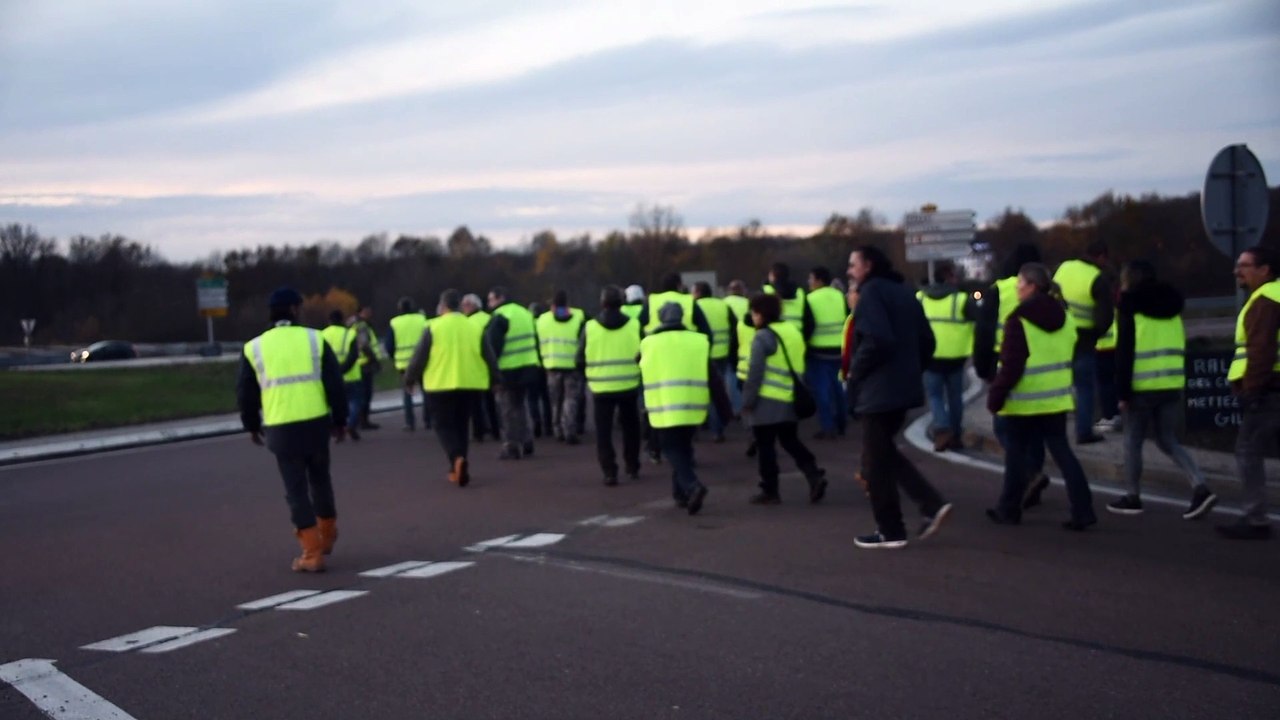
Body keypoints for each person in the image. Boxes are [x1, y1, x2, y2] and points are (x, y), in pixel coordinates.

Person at [846, 246, 952, 549]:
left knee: (876, 463)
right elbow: (927, 340)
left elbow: (877, 339)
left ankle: (893, 527)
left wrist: (856, 372)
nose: (850, 271)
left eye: (853, 264)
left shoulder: (871, 294)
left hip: (878, 389)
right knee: (882, 453)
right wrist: (912, 368)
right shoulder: (904, 292)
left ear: (868, 265)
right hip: (903, 386)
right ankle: (925, 506)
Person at [237, 287, 348, 572]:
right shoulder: (315, 339)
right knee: (320, 480)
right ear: (296, 309)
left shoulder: (254, 347)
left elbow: (246, 393)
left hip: (281, 426)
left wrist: (251, 425)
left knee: (295, 489)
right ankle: (327, 533)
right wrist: (340, 420)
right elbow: (335, 384)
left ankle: (311, 552)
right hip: (316, 422)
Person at [986, 263, 1097, 531]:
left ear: (1032, 286)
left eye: (1020, 284)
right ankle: (1083, 509)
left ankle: (1008, 509)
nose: (1017, 288)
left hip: (1023, 401)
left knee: (1015, 456)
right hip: (1056, 399)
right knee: (1064, 454)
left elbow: (1012, 366)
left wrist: (996, 395)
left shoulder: (1018, 320)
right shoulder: (1066, 317)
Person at [1107, 260, 1216, 518]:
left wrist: (1122, 393)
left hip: (1141, 386)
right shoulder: (1172, 307)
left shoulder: (1129, 307)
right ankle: (1200, 486)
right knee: (1167, 439)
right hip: (1171, 382)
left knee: (1132, 441)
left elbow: (1124, 354)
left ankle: (1133, 496)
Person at [975, 243, 1052, 509]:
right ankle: (1032, 482)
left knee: (1005, 428)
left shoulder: (999, 290)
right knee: (1035, 432)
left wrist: (983, 367)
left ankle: (1029, 476)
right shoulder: (1050, 291)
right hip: (1043, 365)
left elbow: (984, 332)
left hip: (1006, 363)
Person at [639, 302, 731, 515]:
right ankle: (681, 495)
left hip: (664, 406)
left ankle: (692, 485)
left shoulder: (649, 343)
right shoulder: (698, 341)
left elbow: (639, 365)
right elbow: (714, 378)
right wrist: (724, 409)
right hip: (693, 405)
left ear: (661, 318)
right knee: (684, 448)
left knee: (671, 449)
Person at [403, 289, 498, 487]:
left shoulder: (433, 326)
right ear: (460, 306)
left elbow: (419, 357)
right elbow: (489, 355)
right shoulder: (474, 327)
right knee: (462, 425)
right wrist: (496, 379)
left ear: (443, 305)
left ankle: (456, 458)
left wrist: (410, 378)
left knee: (443, 425)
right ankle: (458, 466)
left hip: (439, 383)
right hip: (470, 383)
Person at [741, 293, 828, 505]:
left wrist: (747, 401)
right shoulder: (792, 330)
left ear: (761, 314)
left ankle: (770, 490)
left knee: (766, 446)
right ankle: (813, 473)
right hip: (790, 396)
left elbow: (755, 372)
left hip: (767, 399)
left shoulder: (763, 337)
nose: (753, 317)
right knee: (790, 440)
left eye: (754, 313)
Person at [1218, 245, 1280, 540]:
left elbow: (1261, 350)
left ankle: (1256, 518)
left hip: (1268, 389)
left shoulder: (1265, 301)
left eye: (1244, 266)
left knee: (1248, 450)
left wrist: (1252, 390)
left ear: (1264, 270)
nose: (1237, 271)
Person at [578, 285, 643, 485]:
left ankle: (609, 471)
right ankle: (632, 465)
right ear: (622, 303)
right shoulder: (634, 325)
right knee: (631, 428)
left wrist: (588, 375)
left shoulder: (590, 327)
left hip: (601, 387)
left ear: (602, 303)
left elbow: (579, 358)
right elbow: (645, 352)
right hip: (629, 384)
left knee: (603, 432)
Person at [1052, 240, 1114, 444]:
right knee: (1085, 388)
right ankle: (1083, 431)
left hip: (1059, 336)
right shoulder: (1097, 278)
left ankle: (1055, 432)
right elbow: (1105, 317)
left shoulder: (1063, 268)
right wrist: (1095, 334)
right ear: (1101, 257)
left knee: (1059, 386)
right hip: (1084, 340)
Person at [917, 261, 977, 452]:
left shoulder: (920, 298)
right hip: (956, 356)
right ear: (949, 277)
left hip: (930, 356)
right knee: (955, 398)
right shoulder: (961, 299)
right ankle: (955, 435)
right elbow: (979, 322)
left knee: (934, 396)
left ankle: (942, 428)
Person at [486, 287, 540, 460]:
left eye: (491, 300)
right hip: (528, 365)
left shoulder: (500, 316)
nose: (489, 304)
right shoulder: (524, 312)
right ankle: (527, 440)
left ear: (499, 298)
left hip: (508, 369)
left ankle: (512, 446)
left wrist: (492, 375)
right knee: (521, 406)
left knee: (508, 410)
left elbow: (492, 348)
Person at [804, 266, 849, 440]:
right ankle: (842, 422)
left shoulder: (810, 298)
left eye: (811, 279)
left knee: (822, 391)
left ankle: (827, 426)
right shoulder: (839, 296)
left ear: (819, 280)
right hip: (839, 349)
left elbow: (808, 325)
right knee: (839, 388)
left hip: (818, 351)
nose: (809, 282)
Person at [537, 290, 587, 444]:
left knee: (555, 401)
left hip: (551, 366)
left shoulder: (542, 320)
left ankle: (557, 429)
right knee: (570, 400)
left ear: (552, 304)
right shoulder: (579, 317)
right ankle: (569, 430)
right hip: (572, 366)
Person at [692, 281, 734, 443]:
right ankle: (717, 430)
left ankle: (699, 425)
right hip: (721, 353)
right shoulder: (723, 305)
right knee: (717, 392)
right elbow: (734, 327)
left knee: (699, 392)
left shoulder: (694, 307)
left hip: (701, 355)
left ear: (698, 292)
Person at [386, 297, 430, 432]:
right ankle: (428, 420)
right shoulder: (422, 319)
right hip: (422, 361)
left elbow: (389, 345)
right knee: (426, 391)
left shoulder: (395, 323)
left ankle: (410, 423)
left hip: (403, 363)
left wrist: (394, 357)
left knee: (407, 393)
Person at [321, 309, 364, 441]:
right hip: (351, 375)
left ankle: (338, 429)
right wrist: (343, 370)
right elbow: (354, 355)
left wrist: (334, 372)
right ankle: (350, 425)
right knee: (355, 402)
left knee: (333, 404)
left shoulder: (322, 334)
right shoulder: (350, 334)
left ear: (329, 320)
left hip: (330, 377)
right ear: (342, 319)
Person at [463, 293, 500, 442]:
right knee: (491, 402)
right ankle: (496, 430)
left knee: (476, 403)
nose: (463, 308)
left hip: (475, 366)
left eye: (465, 305)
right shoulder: (489, 317)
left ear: (471, 306)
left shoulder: (468, 322)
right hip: (489, 364)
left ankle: (479, 433)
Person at [351, 304, 386, 430]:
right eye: (366, 311)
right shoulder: (362, 326)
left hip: (359, 364)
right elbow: (364, 345)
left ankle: (359, 420)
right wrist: (375, 360)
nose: (369, 314)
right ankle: (363, 421)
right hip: (365, 364)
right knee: (365, 394)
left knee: (361, 394)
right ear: (360, 312)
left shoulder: (355, 325)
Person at [525, 301, 555, 439]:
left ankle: (536, 421)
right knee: (546, 397)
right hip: (546, 364)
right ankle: (548, 426)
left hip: (532, 365)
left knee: (532, 398)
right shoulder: (545, 324)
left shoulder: (528, 326)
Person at [723, 279, 751, 417]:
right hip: (746, 342)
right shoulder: (748, 303)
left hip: (728, 343)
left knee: (731, 375)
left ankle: (735, 408)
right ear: (743, 290)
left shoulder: (724, 303)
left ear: (730, 290)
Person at [763, 262, 807, 330]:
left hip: (775, 332)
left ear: (773, 276)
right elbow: (808, 319)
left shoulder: (766, 291)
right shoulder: (800, 292)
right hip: (796, 332)